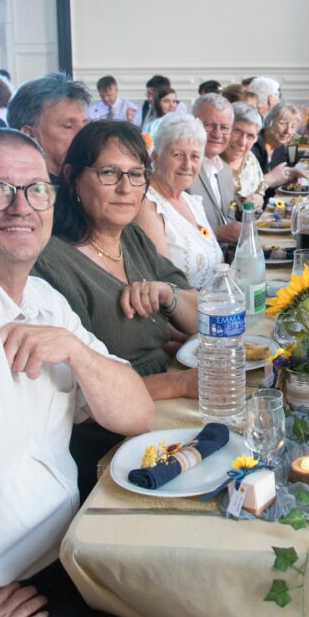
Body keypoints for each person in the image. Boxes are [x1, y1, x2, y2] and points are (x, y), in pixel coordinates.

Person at [0, 128, 212, 617]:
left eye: (33, 190)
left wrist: (78, 352)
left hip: (70, 554)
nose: (20, 207)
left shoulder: (42, 300)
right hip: (8, 596)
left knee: (206, 611)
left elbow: (135, 411)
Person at [31, 122, 200, 496]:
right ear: (72, 177)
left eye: (136, 174)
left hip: (164, 412)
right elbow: (80, 396)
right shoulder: (51, 263)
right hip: (109, 444)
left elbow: (199, 316)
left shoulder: (132, 238)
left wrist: (167, 293)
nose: (126, 188)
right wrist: (181, 383)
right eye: (109, 173)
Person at [134, 113, 223, 290]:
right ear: (155, 156)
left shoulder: (192, 202)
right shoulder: (148, 206)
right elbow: (165, 283)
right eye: (177, 155)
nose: (187, 165)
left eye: (195, 156)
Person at [6, 72, 91, 183]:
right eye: (68, 126)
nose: (84, 133)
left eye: (85, 124)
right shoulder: (21, 191)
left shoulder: (91, 180)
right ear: (29, 134)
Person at [190, 93, 242, 255]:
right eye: (208, 125)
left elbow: (229, 216)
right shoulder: (181, 170)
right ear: (192, 124)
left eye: (224, 127)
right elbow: (170, 224)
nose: (217, 134)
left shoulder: (225, 170)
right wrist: (217, 232)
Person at [250, 101, 305, 197]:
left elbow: (277, 185)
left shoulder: (280, 149)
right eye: (283, 123)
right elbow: (248, 188)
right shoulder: (254, 145)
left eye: (293, 126)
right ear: (270, 121)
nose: (288, 131)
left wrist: (289, 179)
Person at [220, 102, 266, 210]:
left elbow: (260, 190)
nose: (242, 142)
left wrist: (258, 198)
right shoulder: (212, 161)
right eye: (237, 131)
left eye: (250, 136)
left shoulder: (250, 158)